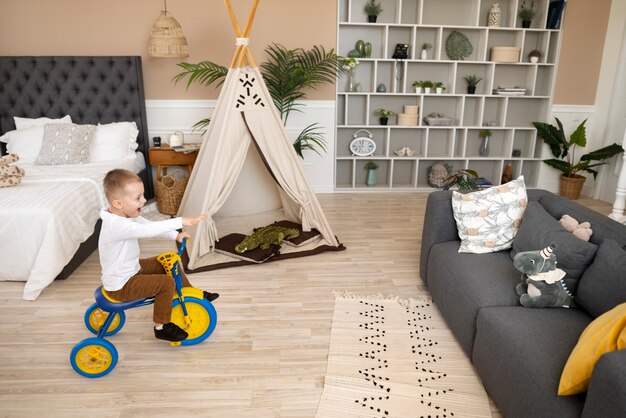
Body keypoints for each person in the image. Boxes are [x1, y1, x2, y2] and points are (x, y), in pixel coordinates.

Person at [99, 169, 219, 342]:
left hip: (130, 269)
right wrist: (181, 221)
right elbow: (146, 231)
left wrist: (174, 235)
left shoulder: (124, 215)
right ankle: (162, 326)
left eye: (143, 196)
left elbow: (148, 224)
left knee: (170, 261)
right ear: (118, 203)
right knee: (166, 283)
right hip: (121, 285)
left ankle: (189, 293)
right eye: (138, 198)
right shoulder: (115, 225)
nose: (144, 200)